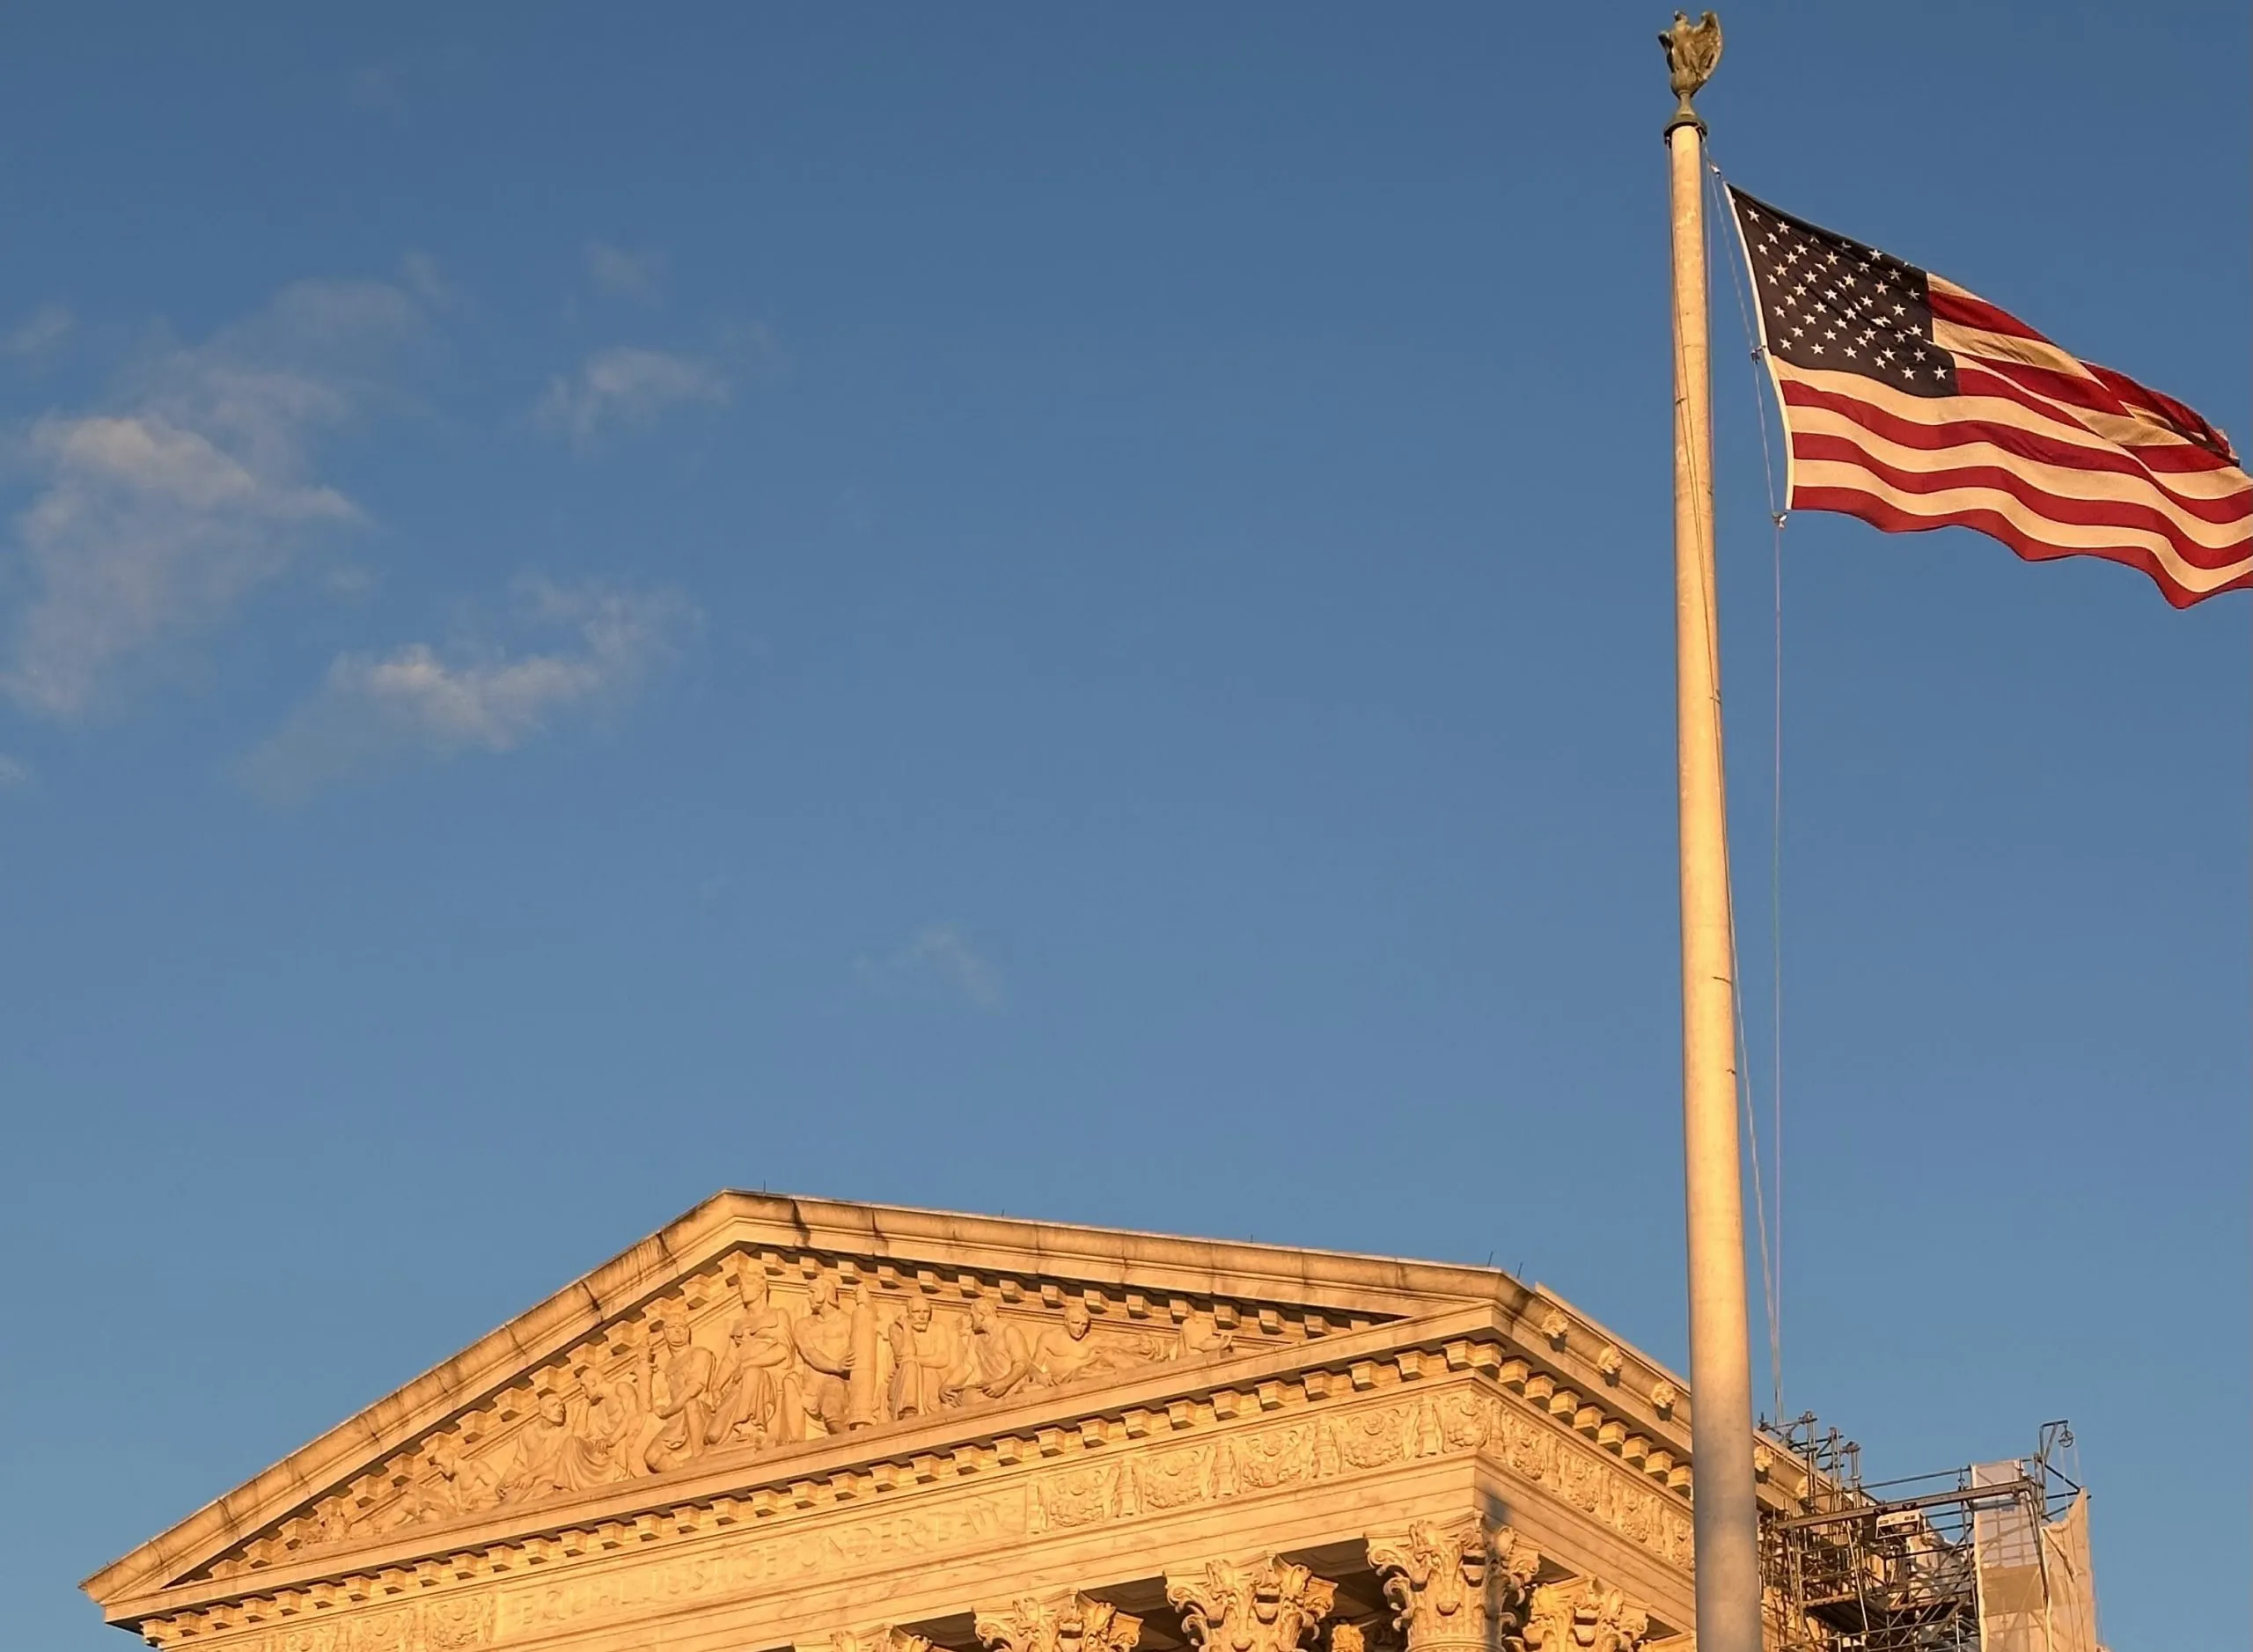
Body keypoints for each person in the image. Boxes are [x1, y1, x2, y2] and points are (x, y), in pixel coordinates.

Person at [887, 1299, 958, 1419]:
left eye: (926, 1312)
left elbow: (943, 1359)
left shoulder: (938, 1328)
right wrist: (907, 1330)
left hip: (933, 1380)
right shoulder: (897, 1329)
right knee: (910, 1366)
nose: (922, 1317)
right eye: (916, 1312)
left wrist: (915, 1359)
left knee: (925, 1372)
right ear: (908, 1313)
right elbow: (903, 1358)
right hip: (902, 1383)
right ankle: (908, 1409)